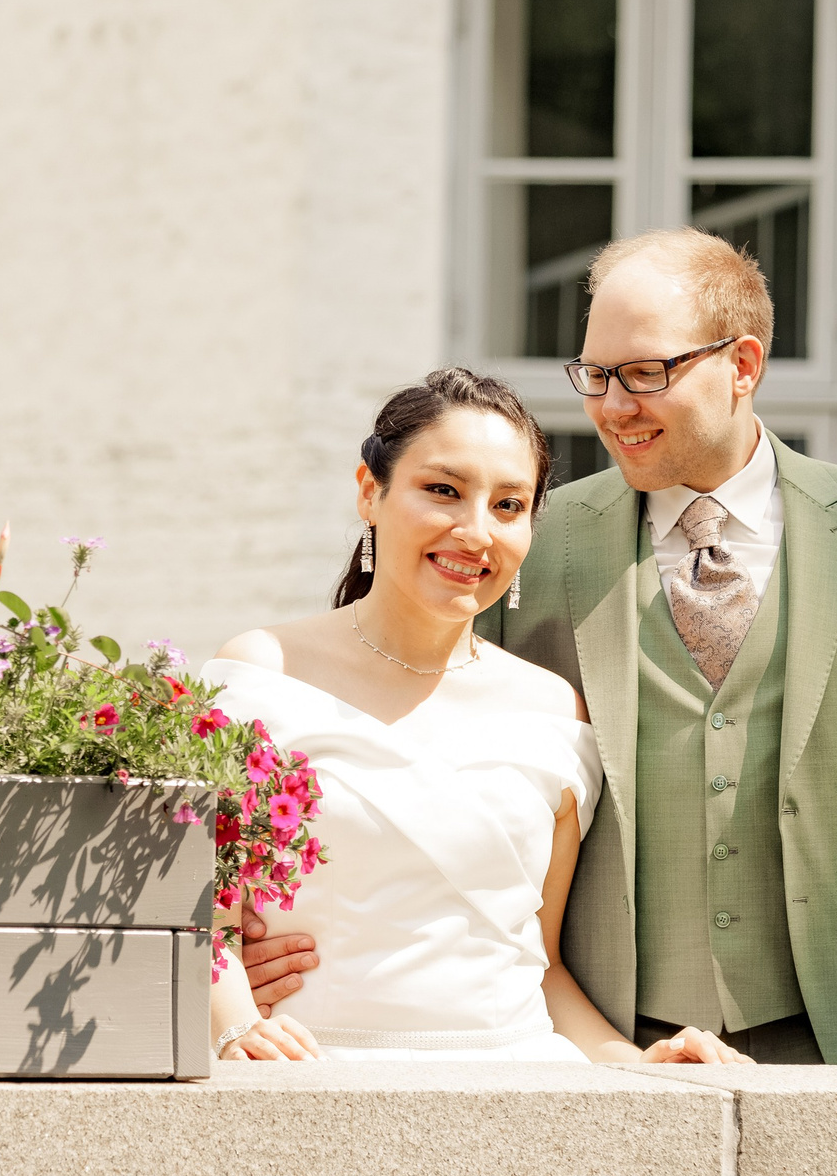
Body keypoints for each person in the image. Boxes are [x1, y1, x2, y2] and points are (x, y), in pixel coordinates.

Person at [240, 229, 837, 1067]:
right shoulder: (532, 534)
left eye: (645, 374)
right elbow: (412, 745)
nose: (611, 405)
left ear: (742, 364)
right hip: (605, 1038)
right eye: (595, 375)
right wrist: (272, 930)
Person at [201, 368, 737, 1063]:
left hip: (517, 1083)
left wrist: (639, 1061)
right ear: (371, 491)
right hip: (304, 1075)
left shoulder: (556, 712)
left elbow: (537, 966)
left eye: (509, 505)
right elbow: (199, 920)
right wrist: (236, 1024)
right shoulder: (260, 675)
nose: (476, 531)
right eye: (443, 491)